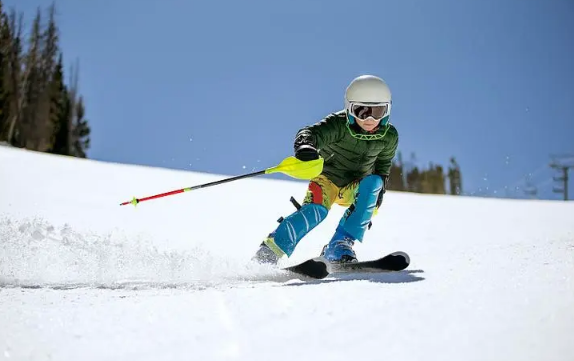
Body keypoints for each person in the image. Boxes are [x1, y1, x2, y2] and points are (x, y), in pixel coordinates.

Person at [253, 74, 398, 265]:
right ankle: (271, 250)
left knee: (374, 183)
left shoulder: (389, 137)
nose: (370, 119)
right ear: (349, 109)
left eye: (378, 112)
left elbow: (383, 166)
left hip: (355, 187)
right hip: (327, 180)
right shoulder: (338, 124)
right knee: (315, 212)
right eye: (362, 111)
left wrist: (379, 192)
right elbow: (310, 133)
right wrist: (306, 147)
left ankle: (339, 246)